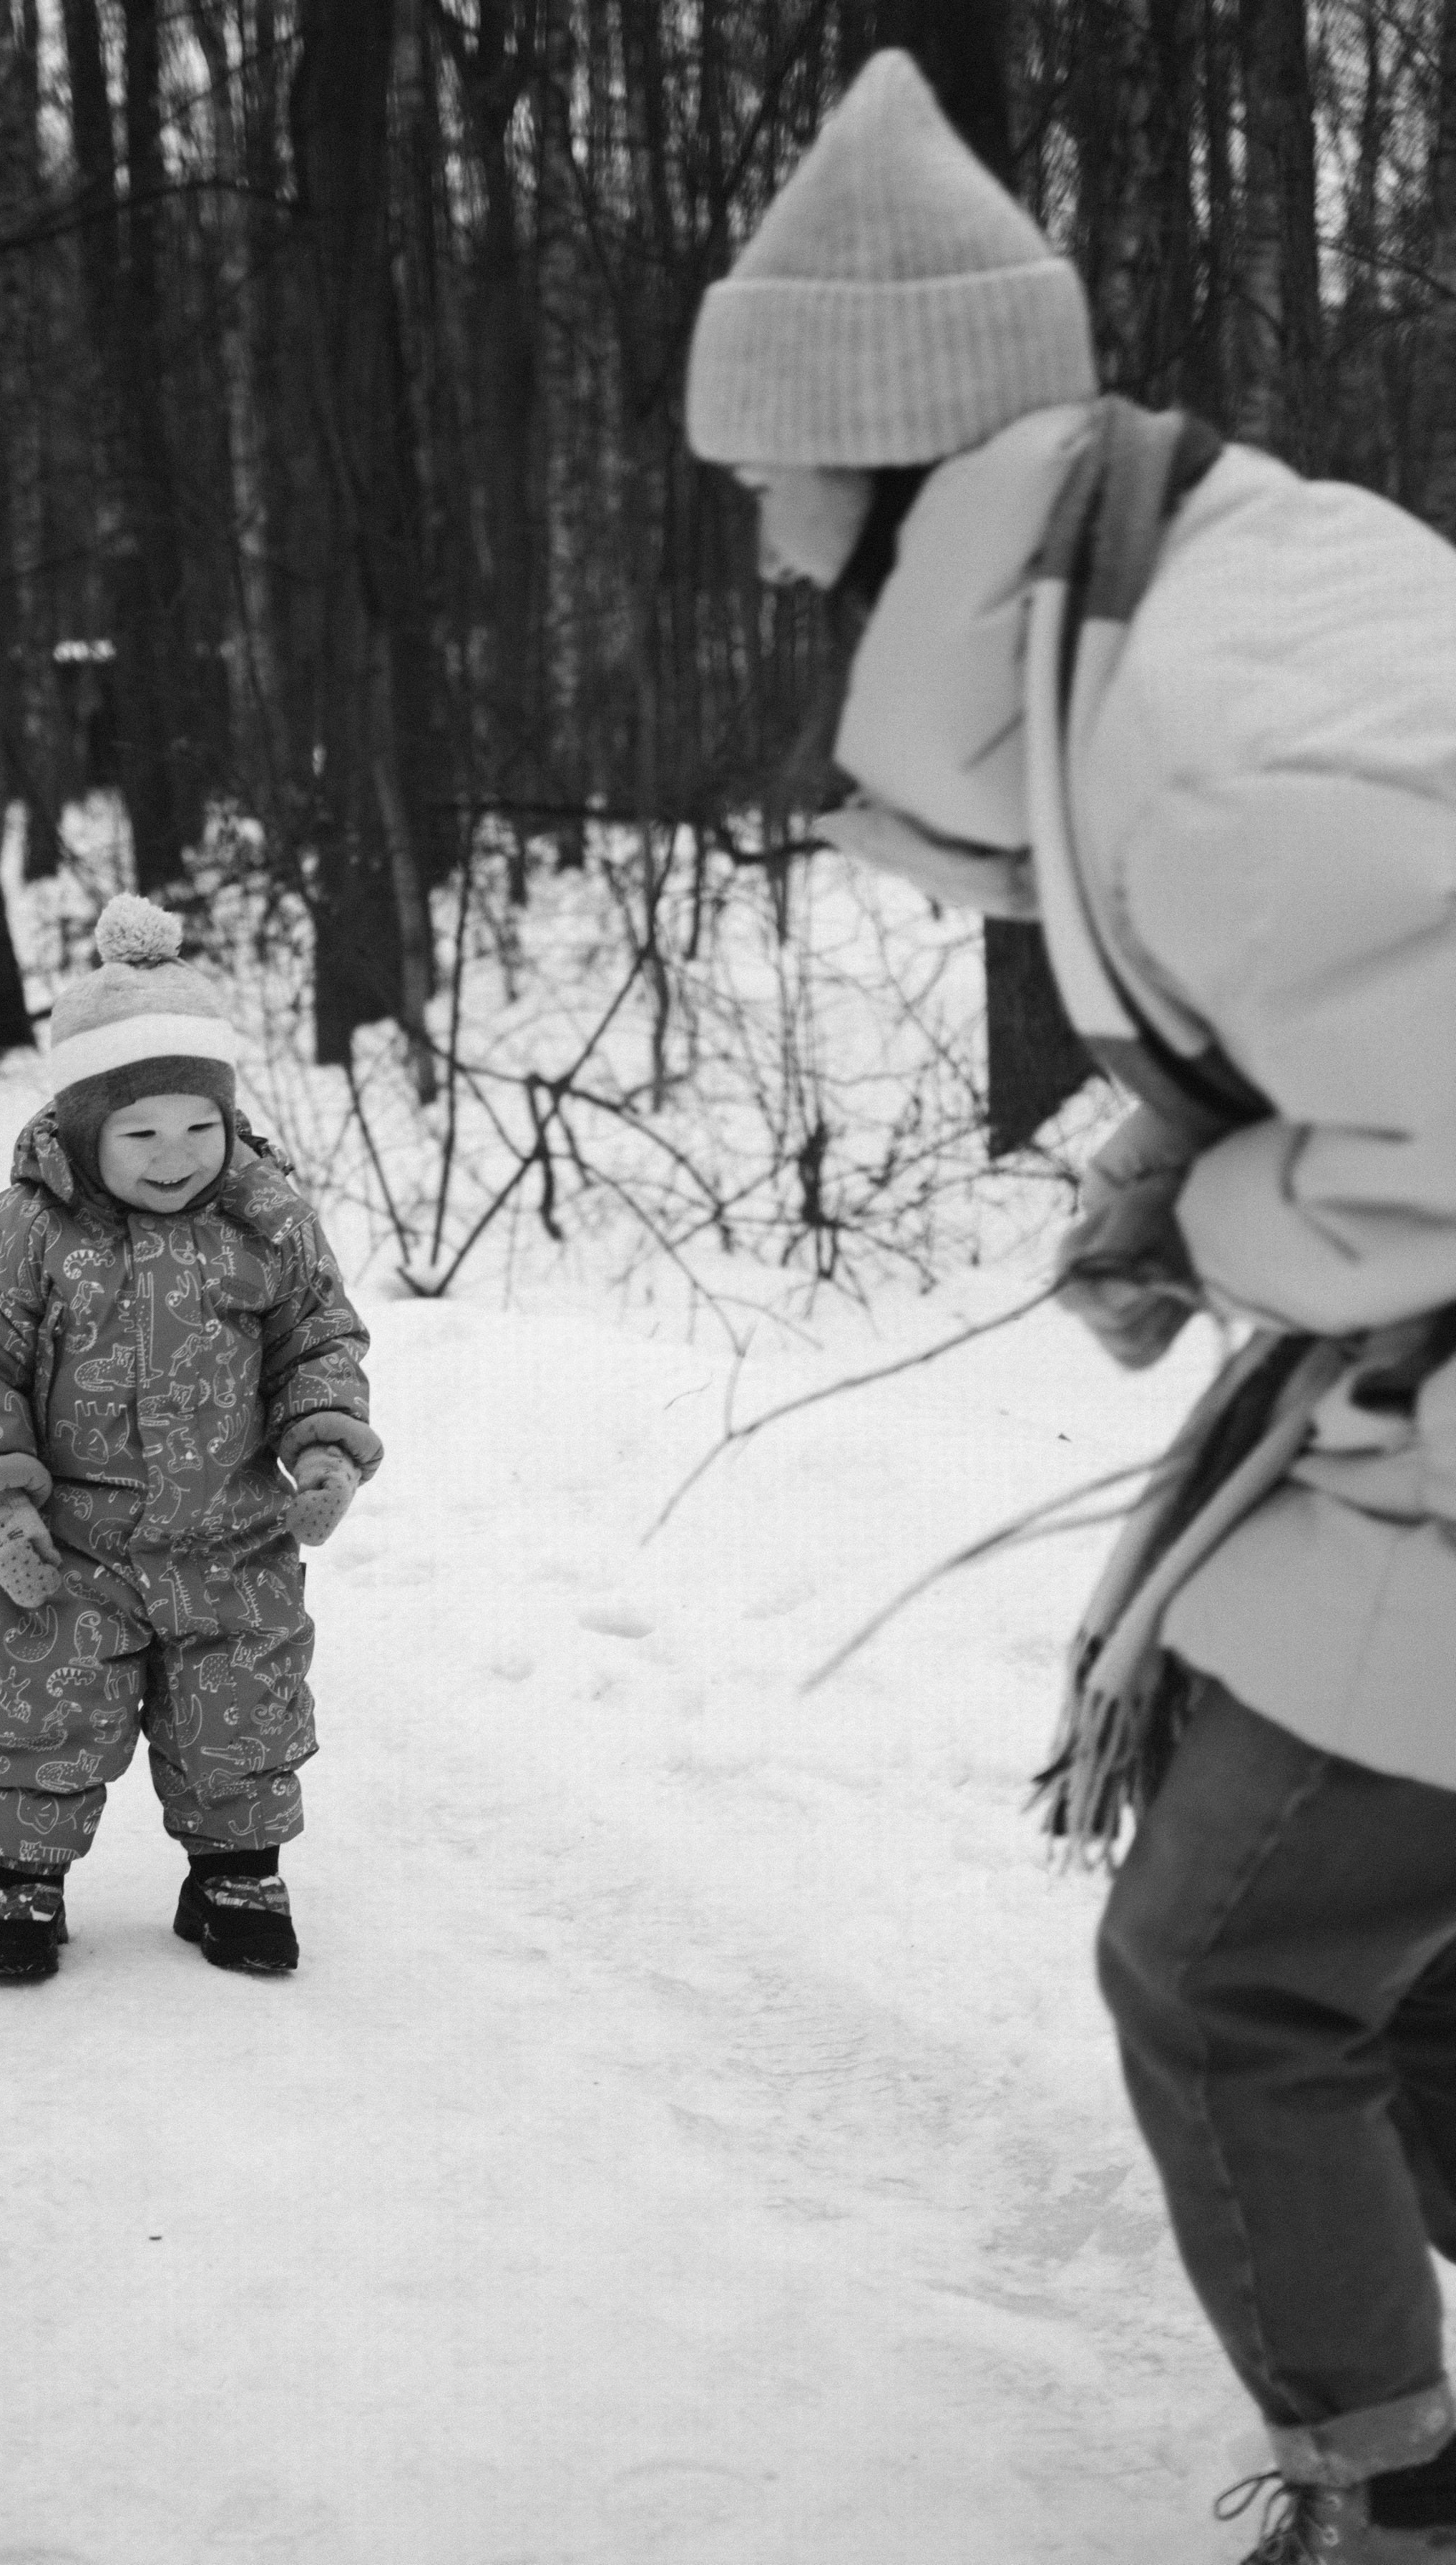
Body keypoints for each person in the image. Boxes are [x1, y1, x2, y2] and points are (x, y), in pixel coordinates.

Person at [685, 47, 1456, 2565]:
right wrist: (1193, 1154)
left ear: (893, 462)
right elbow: (1364, 997)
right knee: (1392, 1954)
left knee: (1230, 1968)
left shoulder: (1204, 736)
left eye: (774, 479)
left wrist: (1210, 1221)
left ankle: (1395, 2502)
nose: (766, 547)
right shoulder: (1230, 592)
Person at [0, 893, 381, 1986]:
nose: (176, 1156)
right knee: (44, 1706)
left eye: (199, 1128)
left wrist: (323, 1443)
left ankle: (235, 1874)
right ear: (86, 1128)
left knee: (242, 1710)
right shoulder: (27, 1231)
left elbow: (318, 1333)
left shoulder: (265, 1220)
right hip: (73, 1544)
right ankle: (16, 1881)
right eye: (141, 1135)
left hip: (232, 1536)